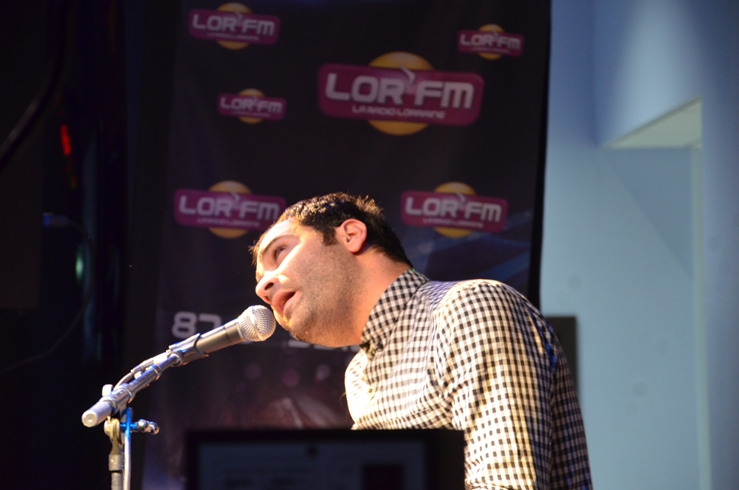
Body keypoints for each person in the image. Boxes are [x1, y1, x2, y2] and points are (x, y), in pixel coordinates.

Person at [252, 192, 592, 489]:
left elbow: (507, 485)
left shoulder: (468, 307)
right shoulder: (358, 373)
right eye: (260, 278)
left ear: (351, 235)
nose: (262, 287)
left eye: (280, 253)